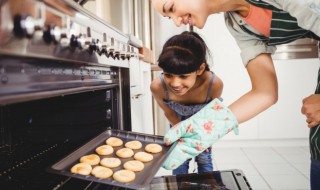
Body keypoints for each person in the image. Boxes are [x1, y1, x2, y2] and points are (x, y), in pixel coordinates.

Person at [150, 0, 320, 189]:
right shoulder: (237, 25)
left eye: (171, 8)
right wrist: (209, 127)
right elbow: (265, 92)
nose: (176, 22)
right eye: (168, 17)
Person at [150, 31, 223, 174]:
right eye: (168, 74)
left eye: (183, 76)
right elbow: (169, 112)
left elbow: (212, 114)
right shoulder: (158, 86)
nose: (175, 83)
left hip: (203, 127)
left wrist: (204, 137)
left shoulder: (214, 84)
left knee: (204, 159)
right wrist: (181, 134)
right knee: (178, 161)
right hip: (177, 124)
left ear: (200, 69)